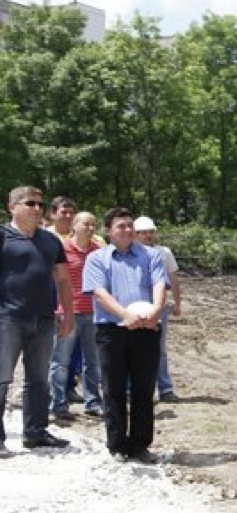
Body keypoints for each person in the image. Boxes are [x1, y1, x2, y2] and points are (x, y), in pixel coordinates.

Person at [82, 207, 168, 464]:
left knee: (144, 387)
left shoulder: (151, 255)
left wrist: (155, 312)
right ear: (108, 231)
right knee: (114, 387)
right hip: (112, 330)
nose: (128, 230)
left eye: (130, 225)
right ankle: (117, 444)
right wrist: (124, 315)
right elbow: (99, 293)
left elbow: (159, 285)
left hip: (146, 329)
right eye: (121, 226)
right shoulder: (97, 259)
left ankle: (140, 444)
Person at [0, 186, 74, 453]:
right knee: (2, 377)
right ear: (12, 207)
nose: (36, 209)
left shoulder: (50, 241)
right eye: (30, 203)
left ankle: (35, 432)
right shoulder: (3, 236)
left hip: (43, 319)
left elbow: (63, 279)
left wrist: (68, 313)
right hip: (7, 318)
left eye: (39, 204)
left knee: (38, 379)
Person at [49, 211, 105, 420]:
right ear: (74, 226)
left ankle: (93, 401)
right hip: (67, 311)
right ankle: (57, 403)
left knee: (93, 360)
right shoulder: (61, 249)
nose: (90, 228)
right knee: (60, 360)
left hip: (93, 312)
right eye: (86, 224)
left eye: (93, 225)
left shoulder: (98, 251)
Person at [133, 216, 181, 403]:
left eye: (151, 232)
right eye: (144, 232)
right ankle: (139, 389)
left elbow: (174, 279)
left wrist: (177, 303)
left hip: (158, 307)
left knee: (159, 349)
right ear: (136, 234)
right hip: (136, 306)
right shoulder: (130, 252)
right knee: (135, 349)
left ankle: (165, 388)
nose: (148, 235)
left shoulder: (164, 253)